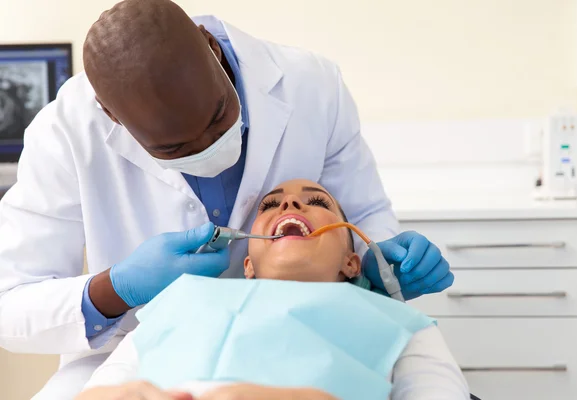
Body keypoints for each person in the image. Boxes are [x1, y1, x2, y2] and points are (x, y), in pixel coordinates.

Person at [0, 1, 453, 398]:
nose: (209, 146)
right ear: (110, 117)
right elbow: (11, 304)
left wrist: (379, 264)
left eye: (219, 117)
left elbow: (366, 215)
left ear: (214, 53)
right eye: (174, 149)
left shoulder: (312, 85)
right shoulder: (64, 132)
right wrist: (116, 288)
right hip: (140, 345)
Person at [76, 179, 469, 400]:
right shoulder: (175, 304)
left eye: (316, 202)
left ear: (353, 262)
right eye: (270, 205)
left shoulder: (402, 325)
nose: (291, 203)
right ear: (247, 264)